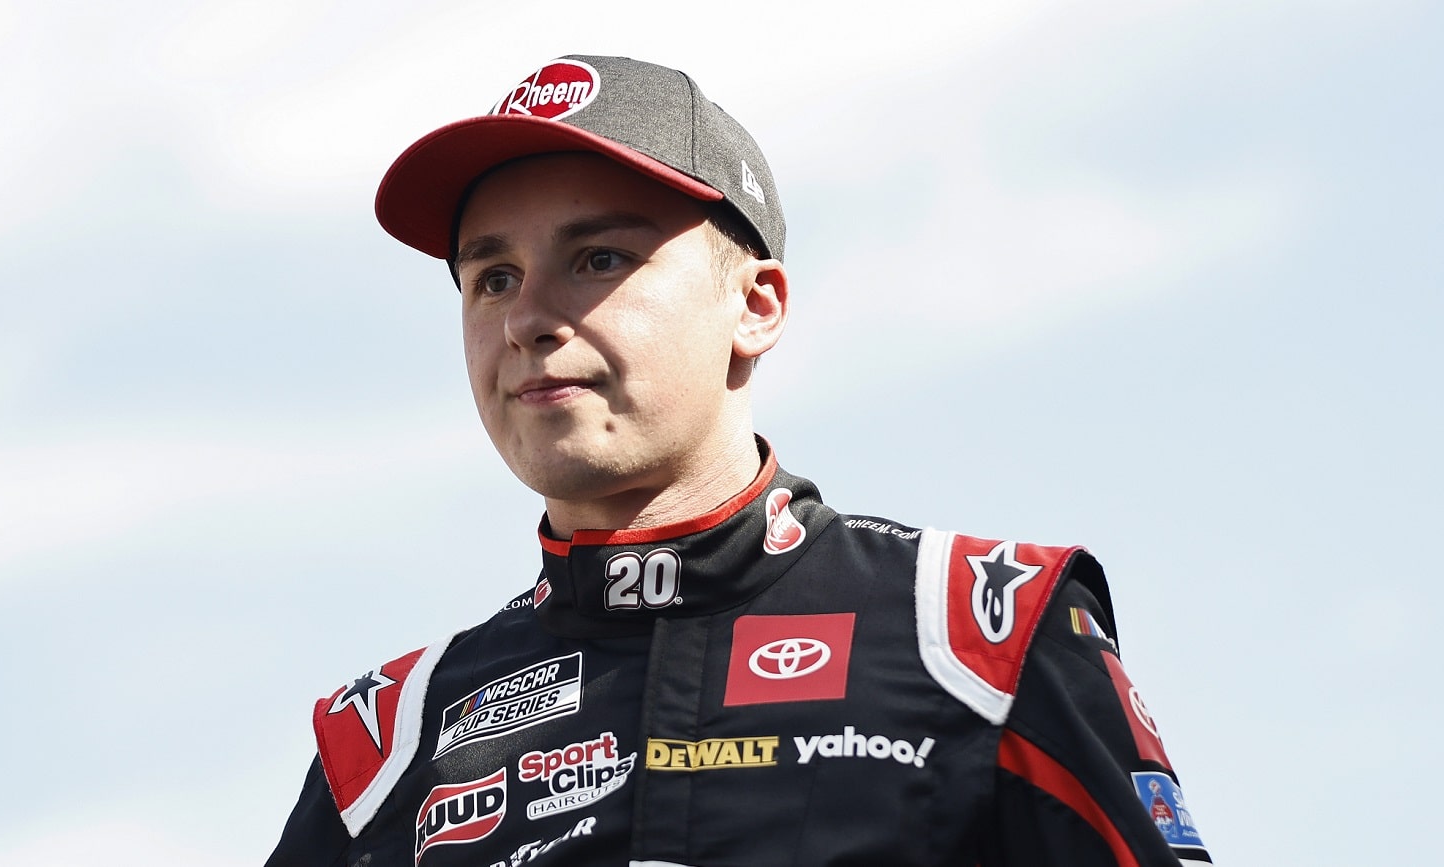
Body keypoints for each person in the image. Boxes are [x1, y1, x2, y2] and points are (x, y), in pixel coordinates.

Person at [265, 54, 1212, 867]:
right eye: (492, 277)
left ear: (755, 306)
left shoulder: (979, 631)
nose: (526, 321)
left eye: (598, 259)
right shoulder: (385, 742)